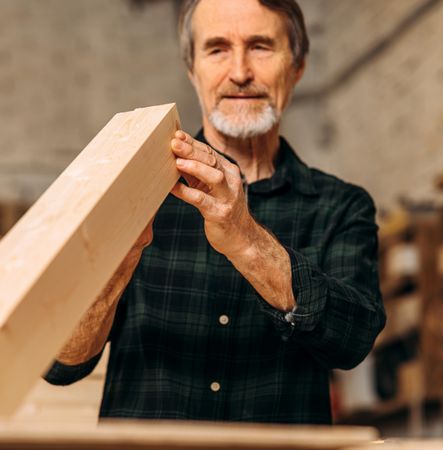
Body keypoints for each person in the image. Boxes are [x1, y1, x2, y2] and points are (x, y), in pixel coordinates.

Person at [43, 0, 386, 424]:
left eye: (260, 46)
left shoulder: (341, 206)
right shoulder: (137, 193)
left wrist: (248, 241)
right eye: (217, 49)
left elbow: (352, 341)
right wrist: (118, 257)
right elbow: (61, 364)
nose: (240, 72)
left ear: (297, 67)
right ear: (193, 70)